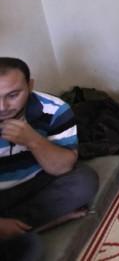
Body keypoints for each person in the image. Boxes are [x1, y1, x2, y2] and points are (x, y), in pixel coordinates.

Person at [0, 57, 98, 261]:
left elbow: (63, 168)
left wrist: (33, 140)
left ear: (30, 85)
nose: (2, 106)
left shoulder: (54, 110)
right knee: (29, 249)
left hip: (37, 182)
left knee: (83, 181)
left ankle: (14, 229)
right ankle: (32, 226)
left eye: (13, 95)